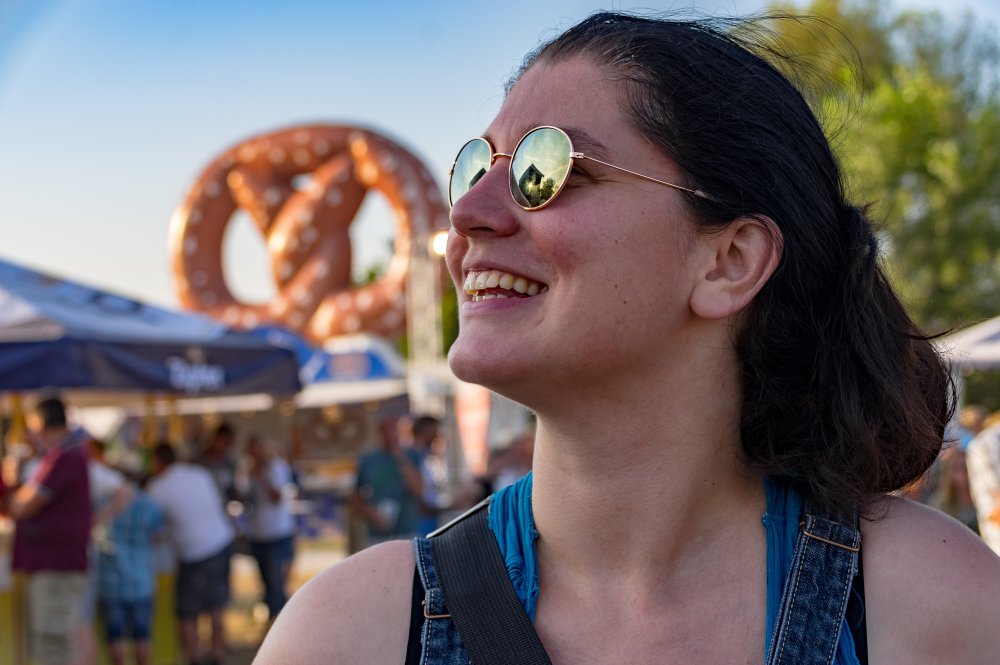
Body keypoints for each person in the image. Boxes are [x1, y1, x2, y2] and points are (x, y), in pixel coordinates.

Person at [256, 12, 1000, 664]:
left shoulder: (930, 608)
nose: (468, 214)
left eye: (546, 169)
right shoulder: (356, 632)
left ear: (728, 261)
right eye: (474, 167)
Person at [6, 396, 91, 665]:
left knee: (52, 640)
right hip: (53, 564)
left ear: (40, 422)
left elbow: (23, 507)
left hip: (56, 565)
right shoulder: (60, 456)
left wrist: (13, 482)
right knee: (50, 640)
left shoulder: (64, 457)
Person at [147, 442, 235, 665]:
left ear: (157, 462)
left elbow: (152, 527)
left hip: (193, 552)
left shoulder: (158, 488)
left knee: (187, 611)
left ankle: (194, 656)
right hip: (222, 541)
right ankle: (216, 654)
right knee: (216, 605)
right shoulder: (198, 473)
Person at [96, 481, 164, 665]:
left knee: (115, 635)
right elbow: (158, 536)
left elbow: (94, 530)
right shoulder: (150, 506)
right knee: (142, 634)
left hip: (111, 582)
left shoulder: (105, 503)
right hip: (142, 581)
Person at [244, 434, 297, 627]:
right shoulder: (249, 471)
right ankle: (274, 624)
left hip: (277, 533)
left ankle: (281, 627)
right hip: (258, 534)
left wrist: (262, 477)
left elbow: (276, 497)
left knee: (277, 585)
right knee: (268, 584)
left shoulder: (277, 467)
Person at [349, 417, 424, 545]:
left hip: (407, 531)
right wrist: (371, 513)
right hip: (377, 535)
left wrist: (399, 456)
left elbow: (419, 490)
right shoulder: (368, 461)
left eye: (393, 431)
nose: (390, 436)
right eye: (386, 431)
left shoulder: (412, 456)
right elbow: (355, 500)